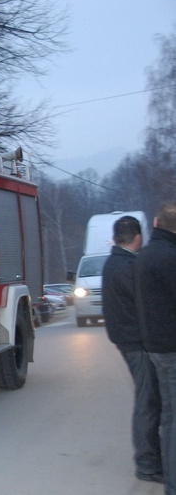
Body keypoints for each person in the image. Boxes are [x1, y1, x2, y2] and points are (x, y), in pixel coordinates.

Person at [102, 215, 162, 484]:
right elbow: (145, 304)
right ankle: (147, 463)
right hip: (136, 340)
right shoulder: (127, 266)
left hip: (125, 338)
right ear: (138, 238)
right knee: (147, 401)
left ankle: (150, 459)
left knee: (147, 398)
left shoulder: (113, 262)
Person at [137, 201, 176, 494]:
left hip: (153, 343)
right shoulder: (169, 257)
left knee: (167, 412)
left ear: (155, 223)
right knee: (173, 417)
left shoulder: (144, 256)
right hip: (170, 346)